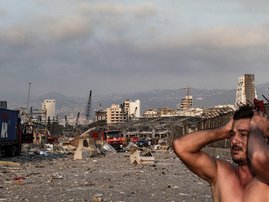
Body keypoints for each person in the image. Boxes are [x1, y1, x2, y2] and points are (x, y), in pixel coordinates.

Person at [173, 105, 269, 202]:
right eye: (232, 135)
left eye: (243, 134)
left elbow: (258, 157)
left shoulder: (266, 179)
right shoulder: (221, 173)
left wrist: (257, 128)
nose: (234, 140)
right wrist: (224, 131)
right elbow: (180, 146)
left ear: (260, 138)